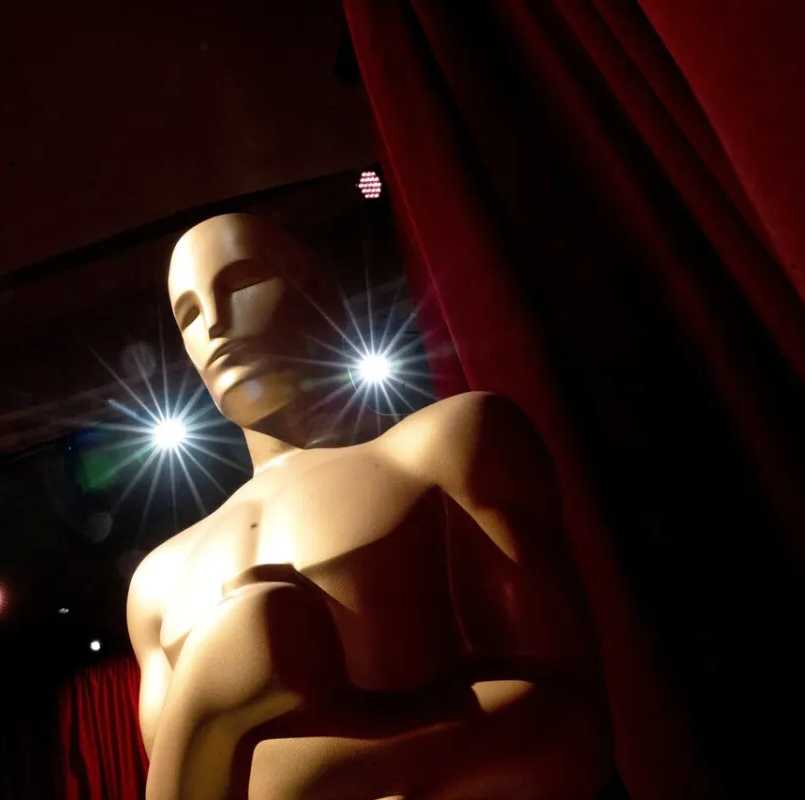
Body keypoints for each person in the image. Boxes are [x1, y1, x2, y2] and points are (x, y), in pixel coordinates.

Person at [128, 214, 612, 799]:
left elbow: (566, 718)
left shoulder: (444, 446)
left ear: (316, 290)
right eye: (188, 313)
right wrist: (204, 704)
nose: (215, 324)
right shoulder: (160, 581)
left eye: (239, 283)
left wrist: (318, 772)